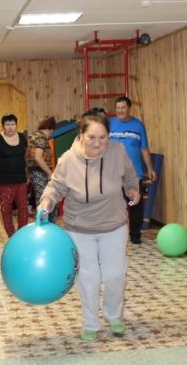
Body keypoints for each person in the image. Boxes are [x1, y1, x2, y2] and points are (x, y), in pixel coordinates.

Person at [38, 109, 140, 342]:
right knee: (88, 277)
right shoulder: (67, 160)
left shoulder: (117, 152)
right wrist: (46, 202)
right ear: (81, 135)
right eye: (92, 137)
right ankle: (91, 323)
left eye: (103, 137)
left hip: (114, 224)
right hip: (79, 228)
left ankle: (114, 316)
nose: (98, 143)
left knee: (115, 275)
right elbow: (55, 187)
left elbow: (130, 175)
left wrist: (132, 189)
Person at [109, 96, 156, 244]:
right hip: (113, 172)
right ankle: (112, 235)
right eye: (118, 108)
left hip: (134, 173)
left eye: (123, 108)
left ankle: (135, 235)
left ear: (129, 108)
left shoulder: (138, 125)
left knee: (134, 204)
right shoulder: (109, 124)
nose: (120, 111)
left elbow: (144, 149)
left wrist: (150, 169)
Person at [0, 114, 28, 237]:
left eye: (13, 124)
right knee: (6, 210)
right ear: (3, 126)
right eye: (7, 124)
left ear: (16, 125)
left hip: (21, 180)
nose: (10, 127)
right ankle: (12, 236)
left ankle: (22, 235)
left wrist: (27, 174)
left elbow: (25, 157)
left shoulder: (22, 138)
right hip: (4, 182)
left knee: (23, 209)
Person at [27, 116, 57, 221]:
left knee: (41, 201)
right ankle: (46, 228)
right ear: (51, 129)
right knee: (44, 202)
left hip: (33, 172)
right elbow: (38, 158)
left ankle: (44, 225)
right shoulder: (41, 138)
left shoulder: (33, 135)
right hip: (39, 172)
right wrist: (50, 173)